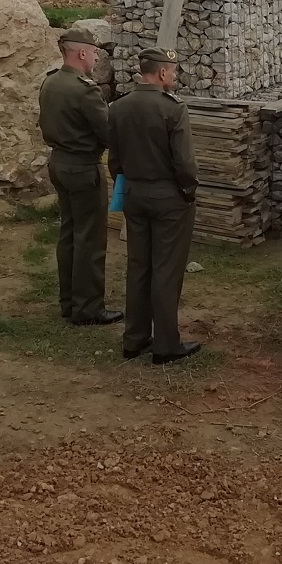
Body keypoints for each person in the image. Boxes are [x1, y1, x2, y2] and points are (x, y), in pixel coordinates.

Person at [108, 46, 201, 364]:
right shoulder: (173, 109)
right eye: (173, 71)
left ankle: (133, 339)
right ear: (162, 73)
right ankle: (165, 344)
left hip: (134, 194)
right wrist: (189, 192)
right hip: (169, 199)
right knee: (166, 270)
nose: (175, 76)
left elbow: (115, 160)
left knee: (138, 266)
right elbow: (185, 163)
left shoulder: (118, 107)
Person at [39, 25, 121, 326]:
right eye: (95, 52)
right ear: (82, 52)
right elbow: (108, 132)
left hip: (58, 163)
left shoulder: (50, 83)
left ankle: (68, 301)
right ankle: (88, 308)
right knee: (90, 239)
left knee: (69, 234)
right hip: (83, 167)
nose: (97, 58)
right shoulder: (85, 90)